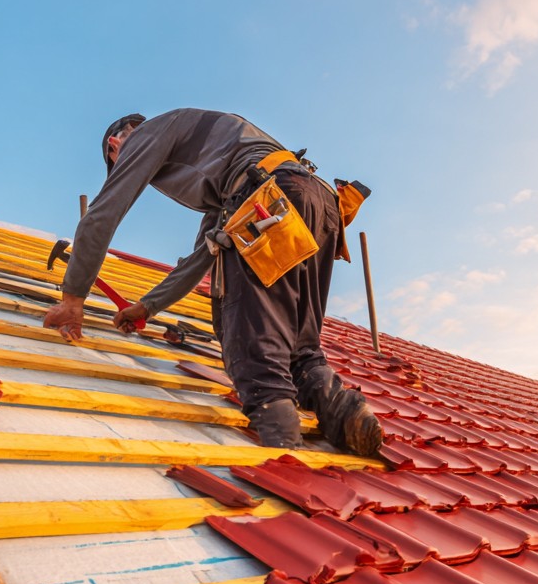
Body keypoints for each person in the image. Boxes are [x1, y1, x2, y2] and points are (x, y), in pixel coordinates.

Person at [42, 108, 383, 456]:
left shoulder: (144, 136)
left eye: (117, 162)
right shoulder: (222, 155)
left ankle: (285, 453)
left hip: (267, 201)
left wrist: (73, 300)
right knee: (300, 346)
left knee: (251, 340)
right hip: (317, 202)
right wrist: (147, 307)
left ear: (115, 144)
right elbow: (204, 254)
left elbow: (102, 214)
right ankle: (347, 416)